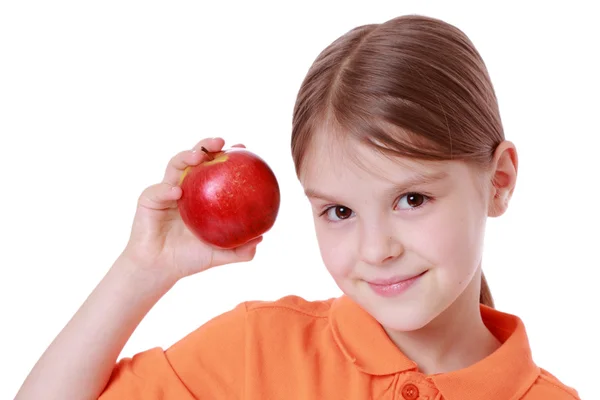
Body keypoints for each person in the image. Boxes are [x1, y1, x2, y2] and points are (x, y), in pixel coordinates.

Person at [15, 14, 580, 400]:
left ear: (499, 181)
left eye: (412, 199)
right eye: (339, 212)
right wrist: (143, 269)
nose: (375, 250)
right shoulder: (256, 350)